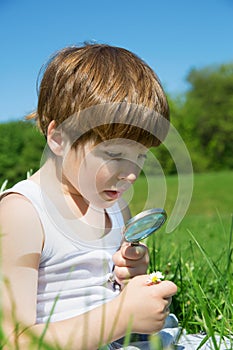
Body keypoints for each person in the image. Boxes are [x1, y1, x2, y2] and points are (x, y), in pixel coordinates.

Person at [0, 43, 177, 349]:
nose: (131, 174)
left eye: (141, 158)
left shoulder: (113, 205)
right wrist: (120, 316)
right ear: (58, 139)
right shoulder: (23, 213)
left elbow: (105, 287)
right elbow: (13, 340)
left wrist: (130, 275)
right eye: (114, 154)